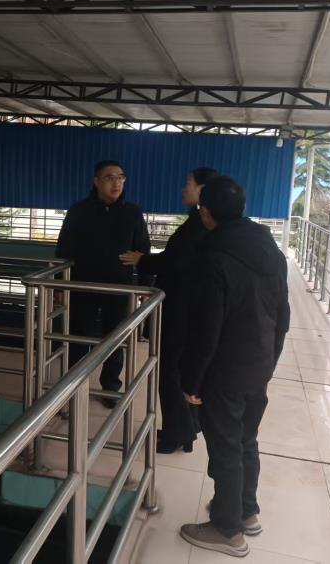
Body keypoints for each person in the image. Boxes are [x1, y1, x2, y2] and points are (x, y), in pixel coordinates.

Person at [177, 177, 290, 558]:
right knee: (245, 440)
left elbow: (206, 330)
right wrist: (270, 359)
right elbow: (283, 314)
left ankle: (227, 530)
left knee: (226, 445)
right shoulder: (270, 250)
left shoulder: (215, 258)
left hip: (225, 368)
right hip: (259, 362)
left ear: (205, 212)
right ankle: (246, 511)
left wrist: (192, 381)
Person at [119, 167, 219, 453]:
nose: (183, 188)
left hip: (181, 310)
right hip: (187, 307)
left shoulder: (198, 225)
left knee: (171, 372)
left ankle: (178, 433)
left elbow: (175, 262)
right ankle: (186, 427)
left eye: (188, 183)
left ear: (203, 190)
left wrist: (142, 260)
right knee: (181, 370)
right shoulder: (202, 222)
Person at [56, 160, 151, 408]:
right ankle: (74, 384)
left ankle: (110, 386)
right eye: (110, 177)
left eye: (120, 177)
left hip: (119, 288)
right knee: (79, 337)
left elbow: (143, 250)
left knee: (115, 338)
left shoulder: (132, 212)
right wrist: (59, 285)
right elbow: (64, 249)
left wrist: (145, 284)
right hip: (83, 285)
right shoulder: (79, 211)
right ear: (96, 182)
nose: (116, 183)